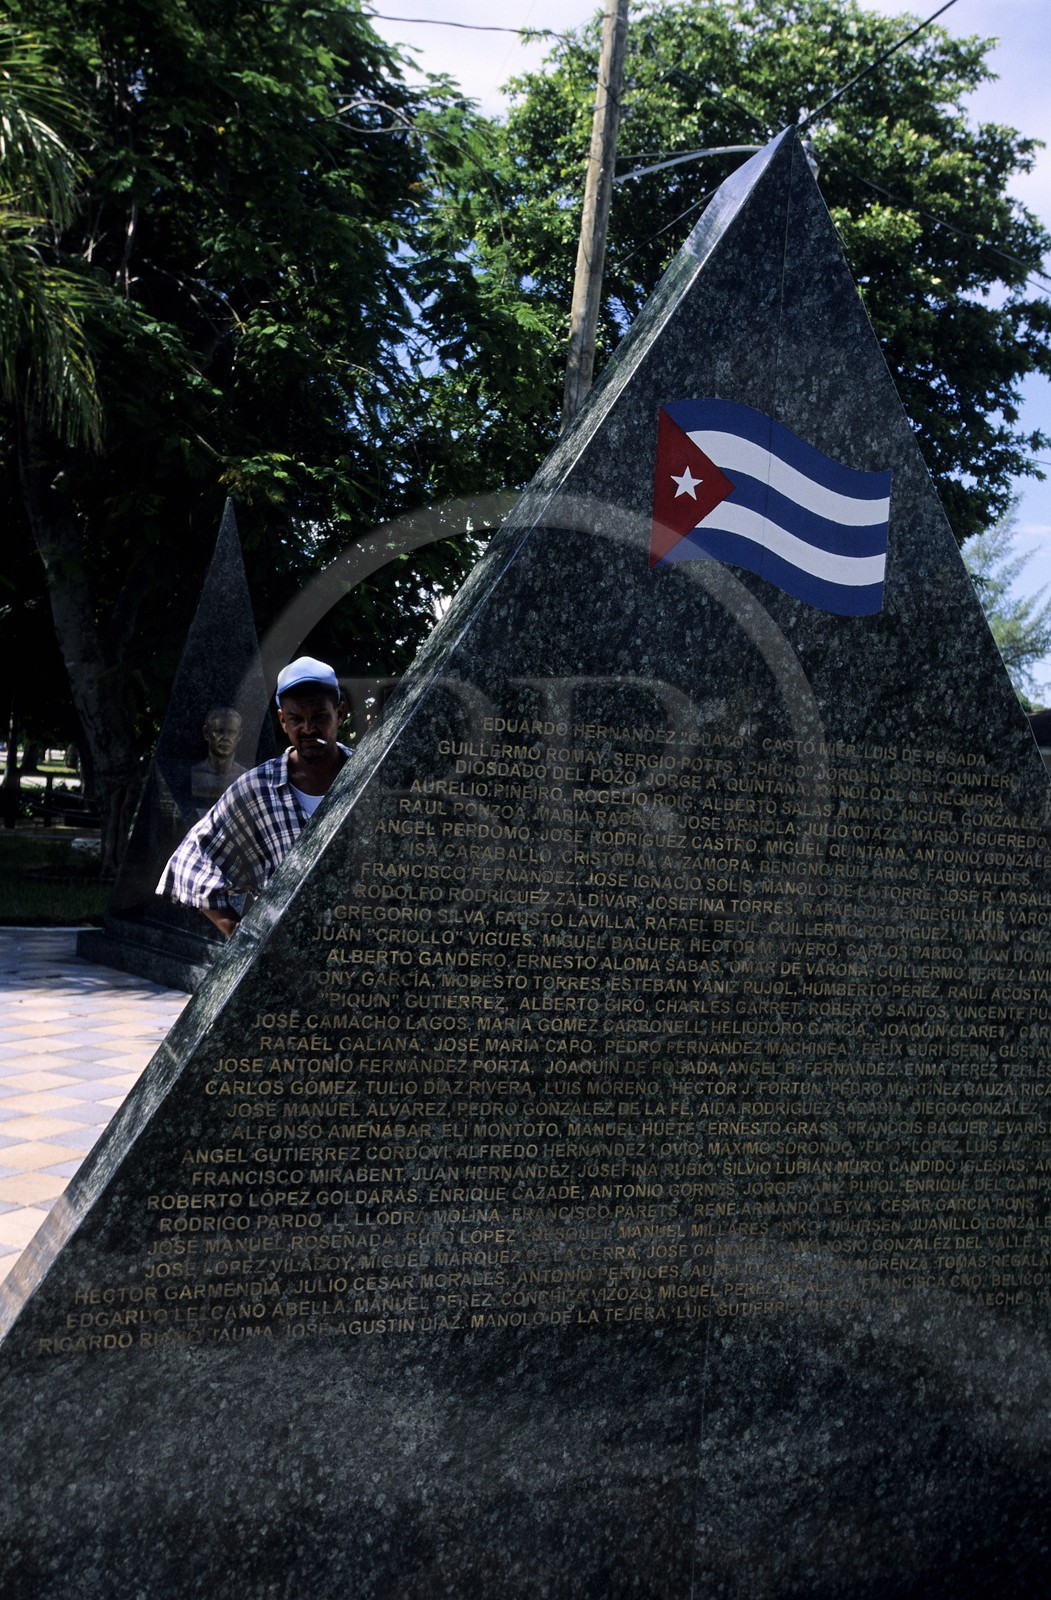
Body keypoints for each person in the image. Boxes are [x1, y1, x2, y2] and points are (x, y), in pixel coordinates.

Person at [158, 656, 351, 938]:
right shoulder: (257, 788)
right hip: (289, 955)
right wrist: (237, 933)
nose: (308, 729)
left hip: (361, 955)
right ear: (282, 720)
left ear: (340, 713)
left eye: (320, 717)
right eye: (296, 719)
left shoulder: (369, 778)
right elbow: (190, 863)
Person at [190, 705, 246, 814]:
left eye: (231, 732)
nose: (225, 737)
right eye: (219, 731)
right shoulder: (195, 774)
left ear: (239, 735)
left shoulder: (245, 778)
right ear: (206, 733)